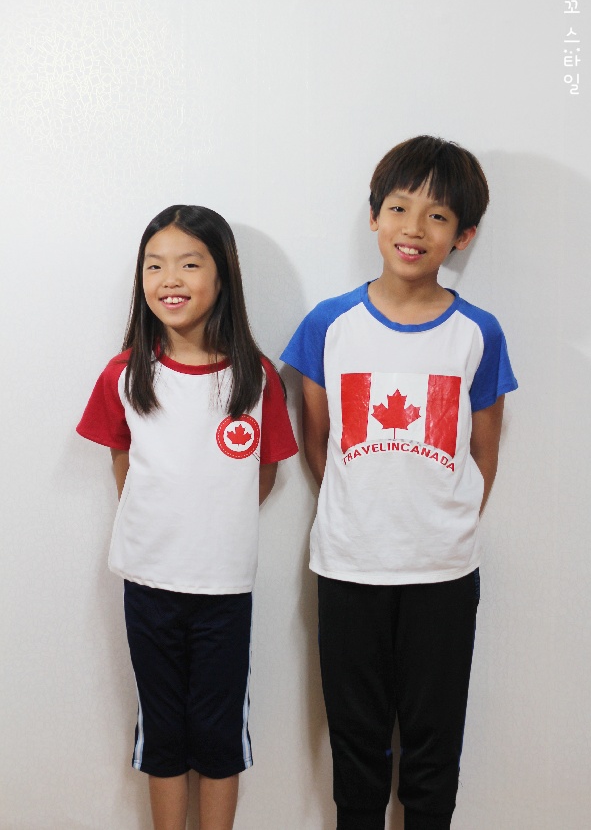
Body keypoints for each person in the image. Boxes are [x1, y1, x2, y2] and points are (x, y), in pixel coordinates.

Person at [281, 136, 517, 830]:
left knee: (433, 745)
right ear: (374, 216)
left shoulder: (478, 332)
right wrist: (362, 512)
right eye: (399, 207)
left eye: (438, 216)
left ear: (463, 235)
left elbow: (484, 451)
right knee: (355, 744)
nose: (414, 228)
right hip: (349, 565)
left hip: (443, 572)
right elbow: (320, 442)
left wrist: (442, 522)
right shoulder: (329, 324)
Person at [77, 205, 297, 830]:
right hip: (148, 583)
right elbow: (123, 461)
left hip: (224, 589)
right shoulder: (125, 375)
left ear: (223, 275)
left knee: (220, 733)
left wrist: (212, 523)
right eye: (154, 266)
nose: (169, 279)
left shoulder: (256, 379)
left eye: (189, 264)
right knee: (163, 732)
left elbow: (262, 475)